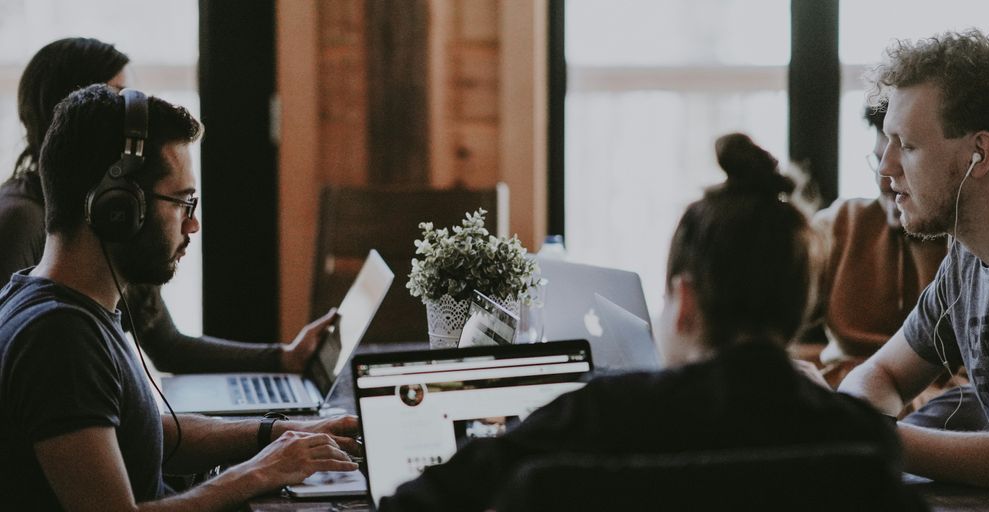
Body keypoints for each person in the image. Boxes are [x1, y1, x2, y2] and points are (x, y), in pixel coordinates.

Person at [379, 134, 902, 510]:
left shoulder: (594, 417)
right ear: (798, 305)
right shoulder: (859, 440)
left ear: (686, 300)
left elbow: (416, 504)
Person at [0, 84, 362, 509]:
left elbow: (151, 433)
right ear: (117, 207)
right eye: (183, 202)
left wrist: (278, 434)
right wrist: (262, 470)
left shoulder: (52, 302)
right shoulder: (59, 339)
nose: (193, 226)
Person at [0, 37, 328, 375]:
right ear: (72, 108)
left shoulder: (126, 213)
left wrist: (284, 358)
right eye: (115, 97)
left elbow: (169, 347)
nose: (132, 120)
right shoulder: (22, 220)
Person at [838, 29, 989, 493]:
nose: (886, 168)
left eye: (909, 146)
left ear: (978, 154)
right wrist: (859, 423)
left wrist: (877, 439)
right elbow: (879, 373)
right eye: (888, 142)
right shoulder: (966, 257)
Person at [802, 103, 989, 431]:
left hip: (936, 414)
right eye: (878, 160)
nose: (885, 178)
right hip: (857, 397)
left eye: (907, 158)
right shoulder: (841, 224)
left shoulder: (970, 252)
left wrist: (868, 426)